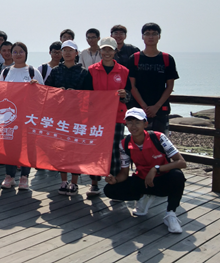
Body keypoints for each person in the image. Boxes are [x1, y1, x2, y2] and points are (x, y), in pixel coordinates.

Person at [104, 108, 187, 234]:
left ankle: (170, 214)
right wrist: (114, 180)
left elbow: (181, 162)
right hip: (142, 179)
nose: (133, 126)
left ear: (145, 124)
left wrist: (156, 169)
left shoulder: (159, 137)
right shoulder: (124, 144)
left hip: (162, 179)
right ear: (126, 124)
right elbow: (124, 173)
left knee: (177, 176)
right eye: (130, 122)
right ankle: (144, 196)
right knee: (109, 189)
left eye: (137, 122)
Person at [45, 41, 94, 196]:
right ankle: (63, 181)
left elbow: (91, 95)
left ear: (76, 53)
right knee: (60, 149)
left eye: (70, 50)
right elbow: (47, 91)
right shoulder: (55, 71)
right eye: (64, 50)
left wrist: (77, 94)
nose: (67, 53)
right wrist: (57, 92)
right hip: (59, 116)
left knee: (75, 150)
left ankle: (74, 182)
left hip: (77, 117)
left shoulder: (84, 72)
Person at [87, 37, 131, 196]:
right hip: (96, 117)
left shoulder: (124, 71)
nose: (107, 52)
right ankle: (94, 184)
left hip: (117, 116)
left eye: (110, 49)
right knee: (95, 149)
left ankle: (115, 184)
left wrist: (124, 95)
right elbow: (86, 93)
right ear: (100, 50)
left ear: (115, 51)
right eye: (104, 49)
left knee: (115, 151)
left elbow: (129, 95)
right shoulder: (91, 70)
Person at [0, 42, 44, 191]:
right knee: (9, 146)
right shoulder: (6, 72)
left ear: (26, 53)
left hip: (28, 116)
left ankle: (24, 177)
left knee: (27, 147)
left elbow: (43, 93)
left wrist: (36, 86)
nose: (18, 54)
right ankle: (9, 176)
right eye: (15, 52)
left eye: (21, 52)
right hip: (9, 117)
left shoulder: (33, 71)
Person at [128, 23, 179, 134]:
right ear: (142, 37)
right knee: (139, 141)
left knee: (160, 141)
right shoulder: (135, 58)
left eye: (154, 34)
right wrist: (144, 106)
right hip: (139, 110)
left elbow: (170, 86)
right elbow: (132, 85)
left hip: (160, 110)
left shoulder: (167, 59)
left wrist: (156, 106)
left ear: (159, 36)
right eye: (147, 34)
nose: (150, 37)